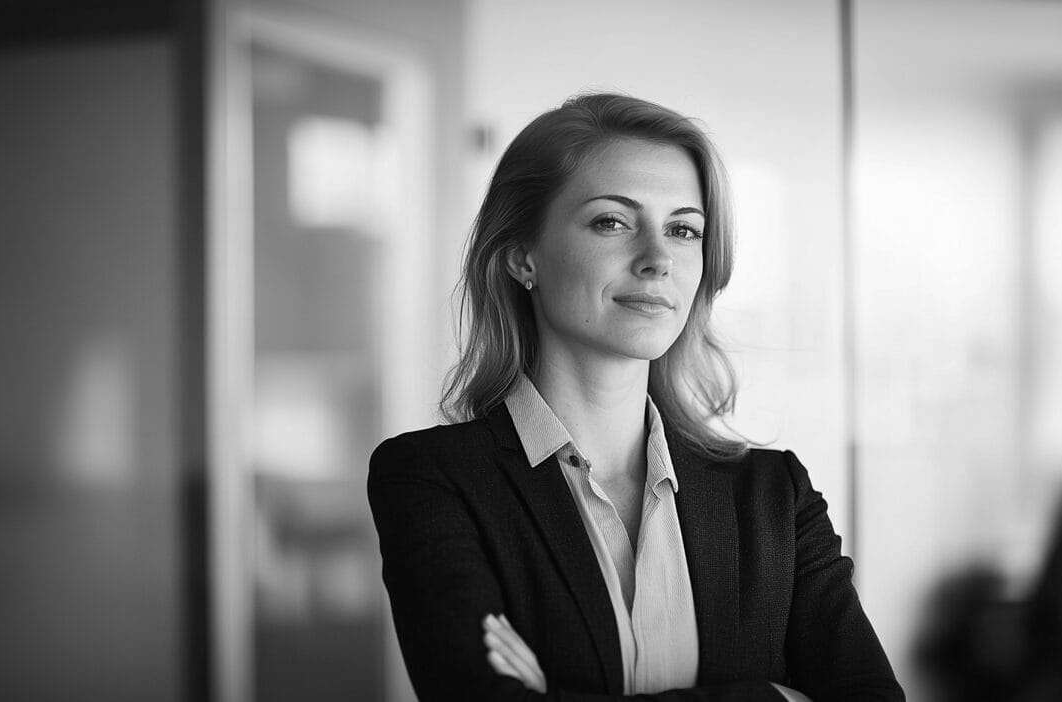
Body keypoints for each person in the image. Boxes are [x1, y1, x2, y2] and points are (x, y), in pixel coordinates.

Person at [368, 92, 903, 701]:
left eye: (682, 230)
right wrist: (772, 697)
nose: (657, 260)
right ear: (522, 256)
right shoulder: (431, 479)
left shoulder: (776, 495)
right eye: (612, 222)